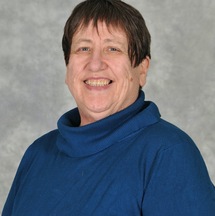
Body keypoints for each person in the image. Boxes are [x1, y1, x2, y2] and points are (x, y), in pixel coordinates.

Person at [2, 0, 215, 215]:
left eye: (113, 49)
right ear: (68, 68)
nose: (95, 64)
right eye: (83, 48)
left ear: (141, 69)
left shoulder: (167, 153)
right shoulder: (38, 154)